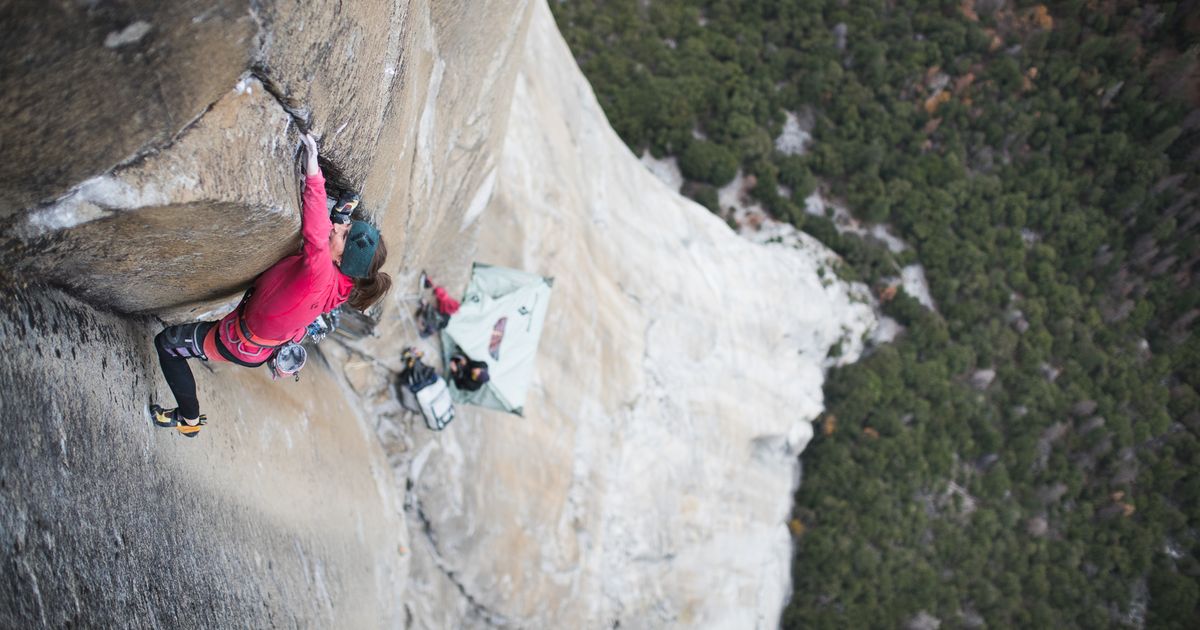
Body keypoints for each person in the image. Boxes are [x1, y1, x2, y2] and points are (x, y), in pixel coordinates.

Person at [150, 132, 392, 437]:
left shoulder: (319, 269)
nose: (339, 226)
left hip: (236, 341)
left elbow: (317, 232)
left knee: (168, 345)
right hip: (264, 343)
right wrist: (341, 222)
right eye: (345, 225)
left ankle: (189, 421)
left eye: (344, 232)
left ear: (342, 260)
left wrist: (314, 170)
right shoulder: (344, 286)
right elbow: (327, 242)